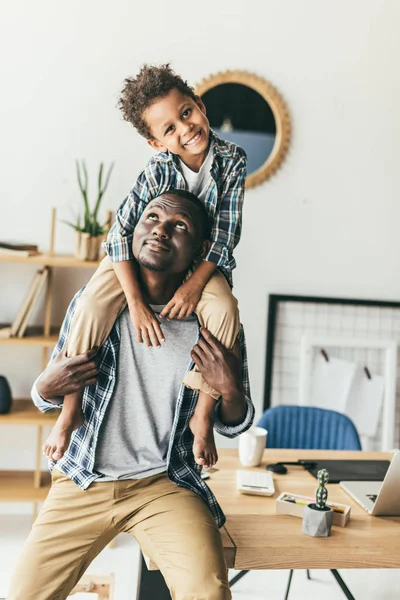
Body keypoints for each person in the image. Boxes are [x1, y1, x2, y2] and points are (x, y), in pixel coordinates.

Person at [8, 190, 254, 600]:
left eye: (180, 226)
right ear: (133, 232)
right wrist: (43, 388)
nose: (160, 229)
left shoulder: (212, 319)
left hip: (165, 483)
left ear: (198, 251)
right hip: (83, 478)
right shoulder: (96, 305)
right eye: (152, 218)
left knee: (207, 592)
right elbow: (49, 389)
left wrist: (228, 387)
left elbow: (236, 420)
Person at [44, 64, 247, 468]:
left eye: (186, 113)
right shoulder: (157, 170)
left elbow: (225, 236)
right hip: (133, 262)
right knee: (90, 306)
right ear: (156, 143)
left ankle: (202, 416)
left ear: (200, 106)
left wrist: (194, 288)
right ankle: (70, 409)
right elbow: (119, 236)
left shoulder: (232, 160)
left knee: (225, 309)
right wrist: (136, 302)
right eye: (169, 129)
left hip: (200, 260)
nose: (184, 129)